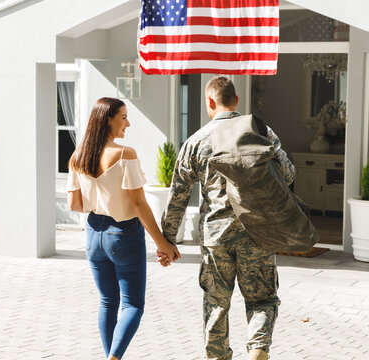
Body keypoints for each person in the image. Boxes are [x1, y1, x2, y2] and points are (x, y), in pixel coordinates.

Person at [159, 76, 296, 360]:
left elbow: (178, 197)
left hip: (215, 236)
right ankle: (258, 347)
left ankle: (218, 356)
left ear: (210, 102)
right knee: (262, 299)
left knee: (216, 303)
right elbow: (289, 174)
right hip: (257, 231)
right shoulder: (261, 132)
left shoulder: (196, 141)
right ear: (236, 101)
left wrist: (167, 240)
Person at [67, 97, 181, 360]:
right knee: (132, 305)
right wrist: (162, 245)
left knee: (108, 302)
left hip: (94, 234)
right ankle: (114, 357)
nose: (128, 123)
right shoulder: (124, 154)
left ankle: (111, 356)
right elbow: (139, 204)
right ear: (108, 119)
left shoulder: (78, 156)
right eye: (123, 117)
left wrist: (99, 195)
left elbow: (75, 204)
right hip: (124, 234)